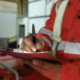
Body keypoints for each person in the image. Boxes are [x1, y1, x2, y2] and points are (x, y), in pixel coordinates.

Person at [20, 0, 80, 80]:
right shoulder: (60, 4)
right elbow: (49, 32)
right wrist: (39, 44)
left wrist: (67, 74)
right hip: (54, 72)